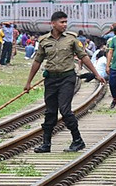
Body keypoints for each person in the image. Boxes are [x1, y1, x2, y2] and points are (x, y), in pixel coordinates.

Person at [24, 11, 105, 153]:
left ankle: (78, 140)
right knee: (50, 112)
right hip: (50, 79)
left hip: (67, 78)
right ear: (53, 23)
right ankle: (46, 144)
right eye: (62, 22)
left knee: (65, 110)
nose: (64, 25)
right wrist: (28, 82)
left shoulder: (72, 39)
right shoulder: (44, 41)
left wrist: (96, 74)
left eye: (66, 22)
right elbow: (37, 61)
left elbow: (84, 57)